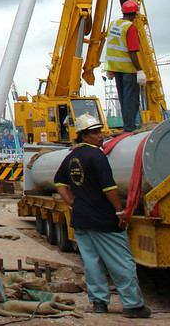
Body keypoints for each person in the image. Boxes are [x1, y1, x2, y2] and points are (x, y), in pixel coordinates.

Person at [54, 113, 151, 318]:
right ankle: (133, 305)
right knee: (121, 262)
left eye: (100, 131)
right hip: (102, 218)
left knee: (92, 263)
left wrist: (71, 202)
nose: (100, 136)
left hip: (81, 219)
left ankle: (99, 303)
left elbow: (59, 181)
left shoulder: (71, 157)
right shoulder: (97, 156)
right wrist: (119, 210)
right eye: (95, 132)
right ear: (83, 136)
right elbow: (109, 187)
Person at [102, 0, 146, 132]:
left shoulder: (114, 25)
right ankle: (130, 129)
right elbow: (132, 50)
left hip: (116, 69)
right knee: (131, 101)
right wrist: (139, 70)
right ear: (135, 14)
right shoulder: (130, 28)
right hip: (128, 70)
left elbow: (110, 47)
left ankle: (128, 128)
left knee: (123, 99)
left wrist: (109, 68)